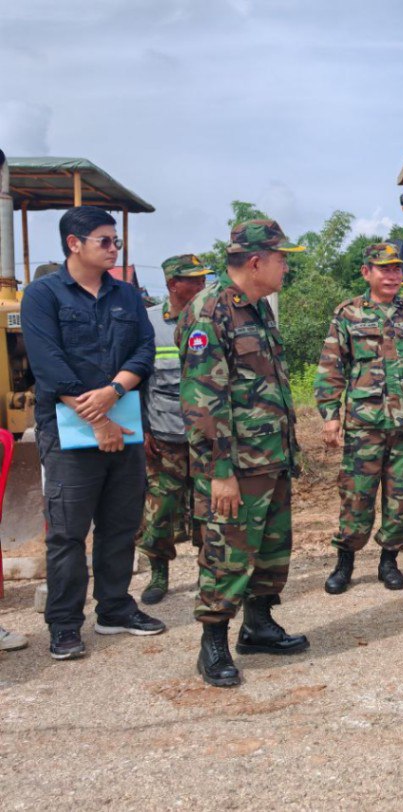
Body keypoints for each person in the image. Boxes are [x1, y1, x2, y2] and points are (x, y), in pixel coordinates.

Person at [22, 206, 166, 660]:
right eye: (105, 240)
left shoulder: (126, 294)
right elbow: (47, 364)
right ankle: (65, 623)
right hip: (68, 432)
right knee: (68, 533)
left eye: (115, 240)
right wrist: (99, 419)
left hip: (124, 422)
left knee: (120, 524)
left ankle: (115, 609)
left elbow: (145, 349)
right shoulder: (42, 295)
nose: (113, 248)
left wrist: (114, 390)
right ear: (74, 243)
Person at [177, 219, 309, 687]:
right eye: (281, 258)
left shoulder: (258, 309)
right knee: (226, 554)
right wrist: (220, 472)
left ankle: (258, 626)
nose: (286, 266)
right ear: (256, 262)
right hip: (235, 465)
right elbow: (203, 401)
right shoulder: (208, 311)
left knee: (271, 550)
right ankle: (212, 644)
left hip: (270, 457)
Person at [315, 242, 403, 594]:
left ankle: (389, 561)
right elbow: (331, 367)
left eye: (397, 269)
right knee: (356, 496)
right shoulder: (348, 314)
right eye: (384, 269)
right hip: (364, 425)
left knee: (401, 498)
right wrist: (330, 415)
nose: (392, 275)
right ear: (366, 272)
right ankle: (345, 562)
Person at [137, 254, 212, 604]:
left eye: (203, 279)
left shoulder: (212, 318)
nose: (201, 285)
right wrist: (142, 428)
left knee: (208, 508)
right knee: (160, 510)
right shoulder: (148, 323)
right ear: (172, 285)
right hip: (164, 436)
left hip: (207, 436)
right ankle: (158, 573)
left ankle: (207, 573)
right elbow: (137, 379)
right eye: (193, 280)